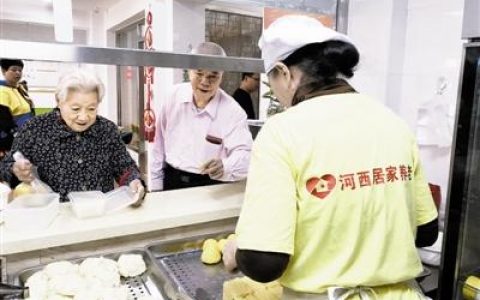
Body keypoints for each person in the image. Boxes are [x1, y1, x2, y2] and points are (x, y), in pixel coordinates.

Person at [222, 15, 439, 299]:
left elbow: (265, 263)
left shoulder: (282, 131)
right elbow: (426, 232)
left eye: (271, 80)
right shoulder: (393, 121)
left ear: (283, 72)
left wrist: (238, 252)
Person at [0, 70, 145, 205]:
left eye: (91, 109)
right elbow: (5, 165)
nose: (83, 117)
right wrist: (15, 169)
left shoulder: (107, 130)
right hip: (56, 217)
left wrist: (134, 181)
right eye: (75, 109)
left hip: (98, 213)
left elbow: (124, 166)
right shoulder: (35, 129)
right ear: (59, 101)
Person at [151, 42, 252, 191]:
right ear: (189, 71)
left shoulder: (233, 112)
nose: (205, 82)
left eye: (213, 76)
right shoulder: (173, 97)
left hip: (210, 185)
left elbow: (246, 156)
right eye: (199, 73)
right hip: (172, 179)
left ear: (221, 76)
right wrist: (155, 186)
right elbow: (157, 146)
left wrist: (225, 166)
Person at [0, 59, 35, 158]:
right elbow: (3, 120)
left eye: (20, 70)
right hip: (11, 139)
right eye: (14, 70)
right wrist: (17, 135)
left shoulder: (19, 88)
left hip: (25, 135)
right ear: (3, 71)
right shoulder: (2, 91)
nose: (18, 73)